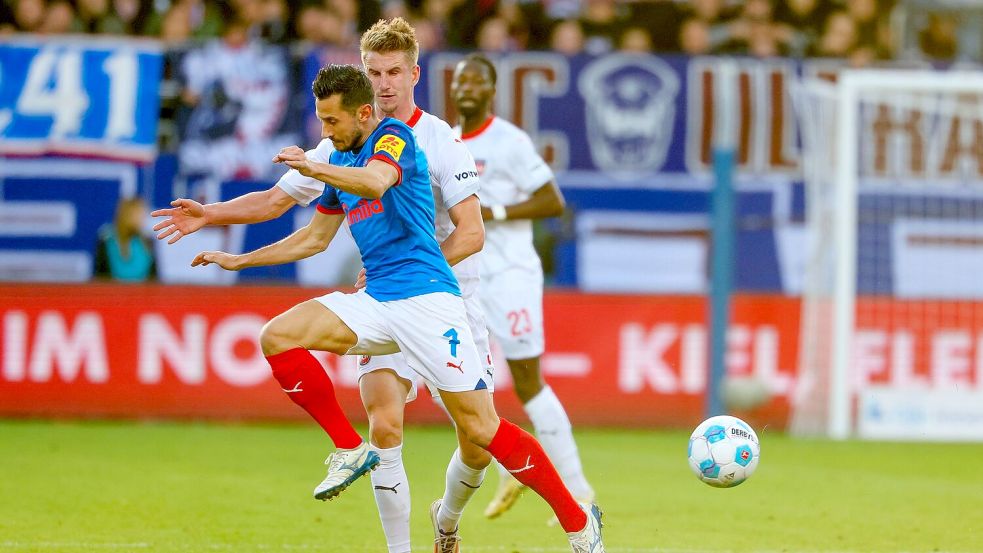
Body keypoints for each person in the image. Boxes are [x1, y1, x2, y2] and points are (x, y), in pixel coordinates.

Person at [151, 19, 605, 553]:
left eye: (393, 72)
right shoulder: (338, 143)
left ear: (414, 73)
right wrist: (214, 220)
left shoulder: (432, 140)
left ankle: (475, 521)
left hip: (444, 298)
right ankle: (379, 509)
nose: (384, 82)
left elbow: (471, 232)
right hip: (380, 297)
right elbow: (282, 208)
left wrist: (405, 259)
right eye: (373, 72)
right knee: (379, 421)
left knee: (480, 438)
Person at [451, 53, 596, 522]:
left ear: (491, 91)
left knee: (529, 381)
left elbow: (552, 201)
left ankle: (579, 491)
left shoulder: (509, 140)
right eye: (461, 80)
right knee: (473, 385)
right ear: (453, 89)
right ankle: (509, 468)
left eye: (477, 81)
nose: (467, 87)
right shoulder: (446, 142)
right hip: (463, 279)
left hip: (511, 273)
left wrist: (496, 214)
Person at [94, 197, 157, 282]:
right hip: (113, 293)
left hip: (142, 294)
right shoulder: (106, 241)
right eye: (139, 214)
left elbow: (153, 280)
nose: (143, 218)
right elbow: (100, 278)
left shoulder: (148, 242)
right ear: (127, 215)